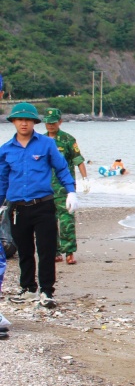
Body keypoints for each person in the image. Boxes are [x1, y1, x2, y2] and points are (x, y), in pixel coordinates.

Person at [0, 103, 77, 308]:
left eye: (28, 120)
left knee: (46, 249)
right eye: (19, 119)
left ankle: (47, 291)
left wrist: (71, 191)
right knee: (24, 250)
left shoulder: (46, 145)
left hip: (43, 205)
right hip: (17, 208)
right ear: (14, 122)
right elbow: (2, 179)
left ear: (34, 122)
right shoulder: (6, 150)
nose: (24, 123)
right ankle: (28, 288)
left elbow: (61, 169)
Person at [43, 108, 89, 265]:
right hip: (45, 188)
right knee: (48, 221)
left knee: (66, 219)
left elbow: (78, 160)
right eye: (48, 123)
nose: (50, 125)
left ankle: (69, 252)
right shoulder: (40, 141)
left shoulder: (68, 139)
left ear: (60, 122)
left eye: (53, 122)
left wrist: (85, 179)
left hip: (65, 188)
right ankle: (54, 251)